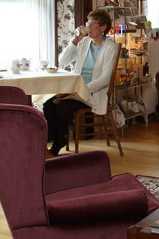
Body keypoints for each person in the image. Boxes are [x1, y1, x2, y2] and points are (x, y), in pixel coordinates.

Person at [43, 9, 119, 156]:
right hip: (76, 90)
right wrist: (74, 41)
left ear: (103, 27)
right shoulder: (84, 42)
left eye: (93, 23)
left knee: (62, 108)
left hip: (92, 93)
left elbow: (104, 80)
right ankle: (53, 138)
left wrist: (80, 89)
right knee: (48, 105)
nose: (88, 27)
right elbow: (64, 61)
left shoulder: (111, 47)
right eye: (87, 23)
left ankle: (58, 143)